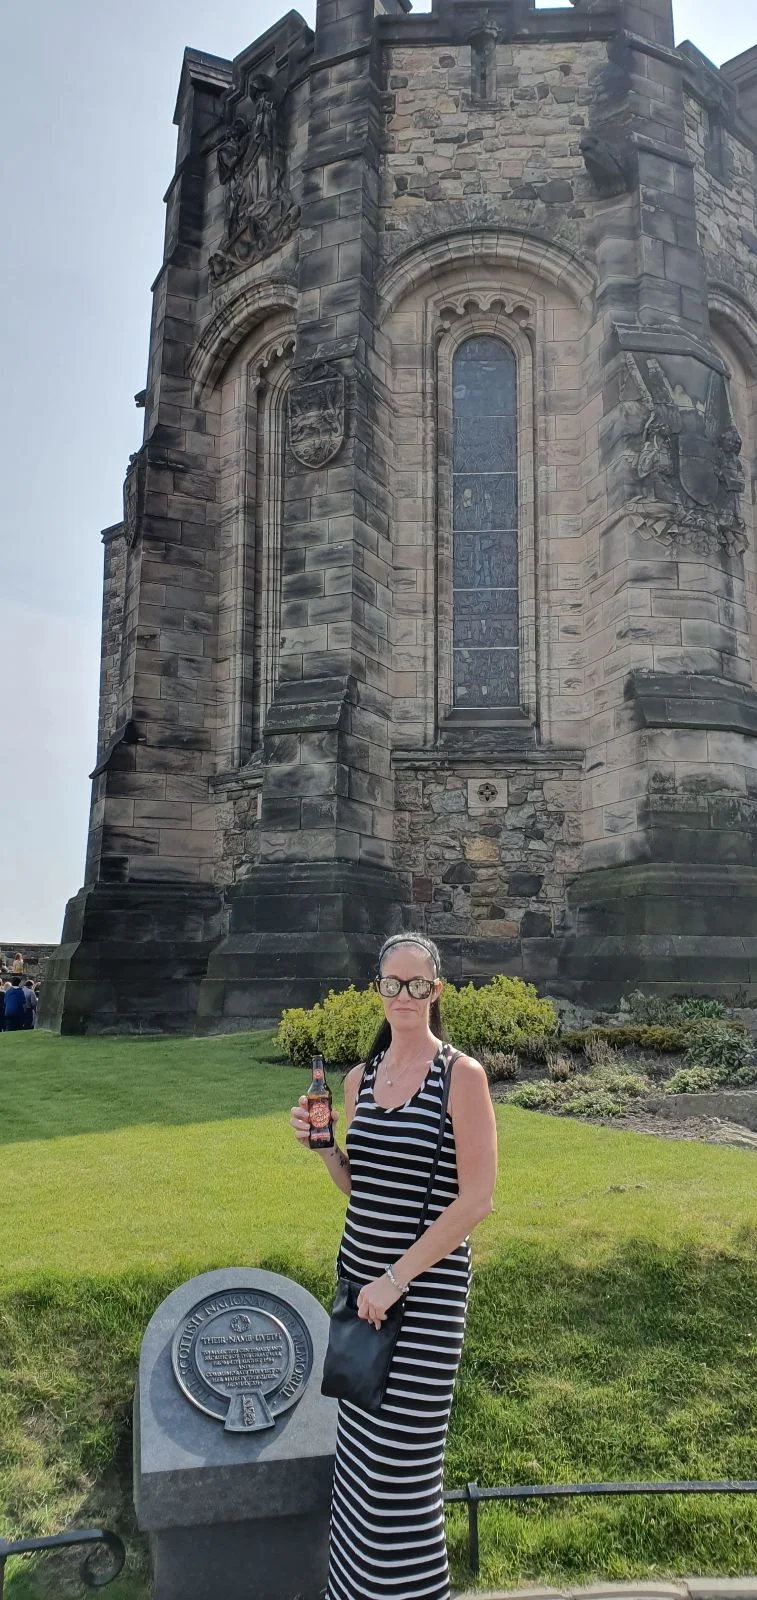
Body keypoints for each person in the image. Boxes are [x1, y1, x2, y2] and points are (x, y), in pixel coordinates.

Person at [289, 932, 498, 1600]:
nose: (402, 996)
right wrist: (323, 1149)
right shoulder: (358, 1078)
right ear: (376, 990)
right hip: (358, 1290)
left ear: (434, 992)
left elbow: (476, 1200)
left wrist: (395, 1279)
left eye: (415, 985)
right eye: (390, 984)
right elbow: (362, 1184)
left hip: (422, 1296)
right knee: (357, 1462)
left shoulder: (459, 1076)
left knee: (399, 1474)